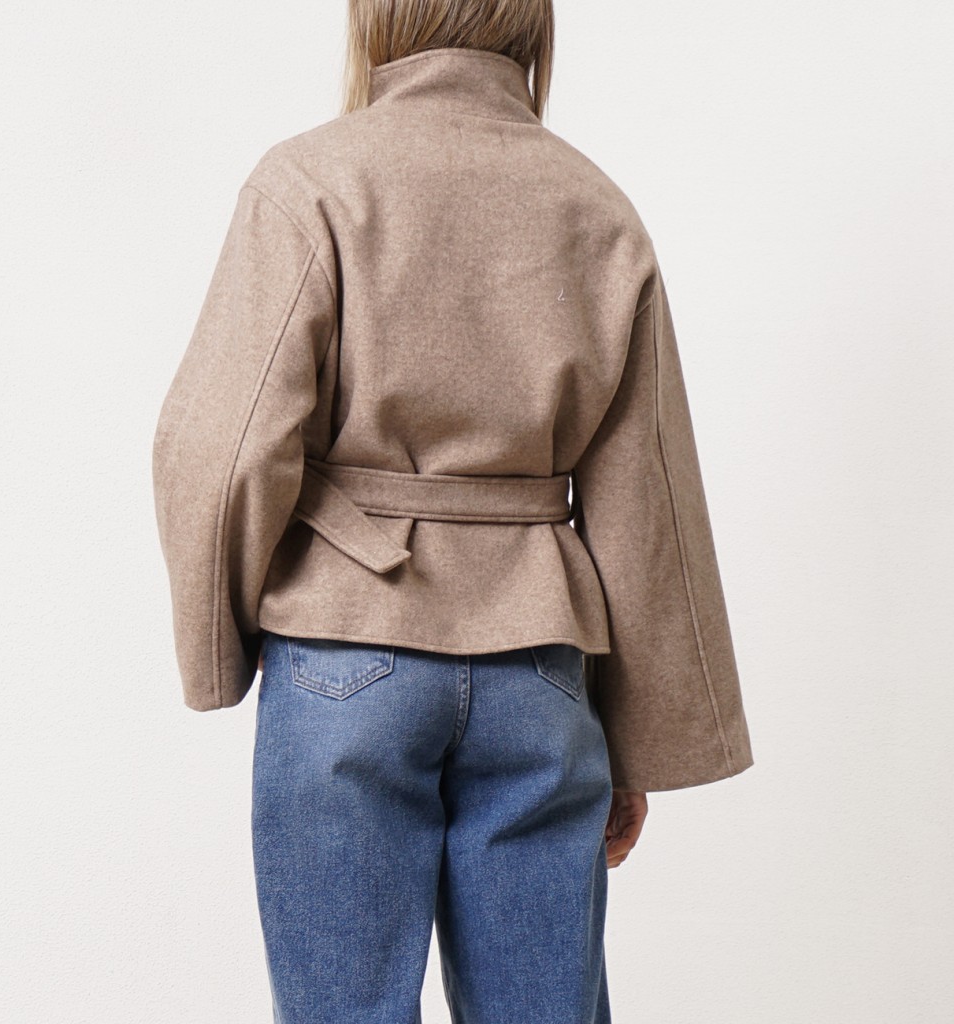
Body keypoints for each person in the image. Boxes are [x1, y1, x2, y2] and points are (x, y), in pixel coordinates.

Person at [151, 1, 755, 1020]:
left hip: (344, 652)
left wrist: (220, 651)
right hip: (539, 667)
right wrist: (637, 740)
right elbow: (647, 493)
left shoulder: (310, 184)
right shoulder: (594, 206)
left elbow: (220, 446)